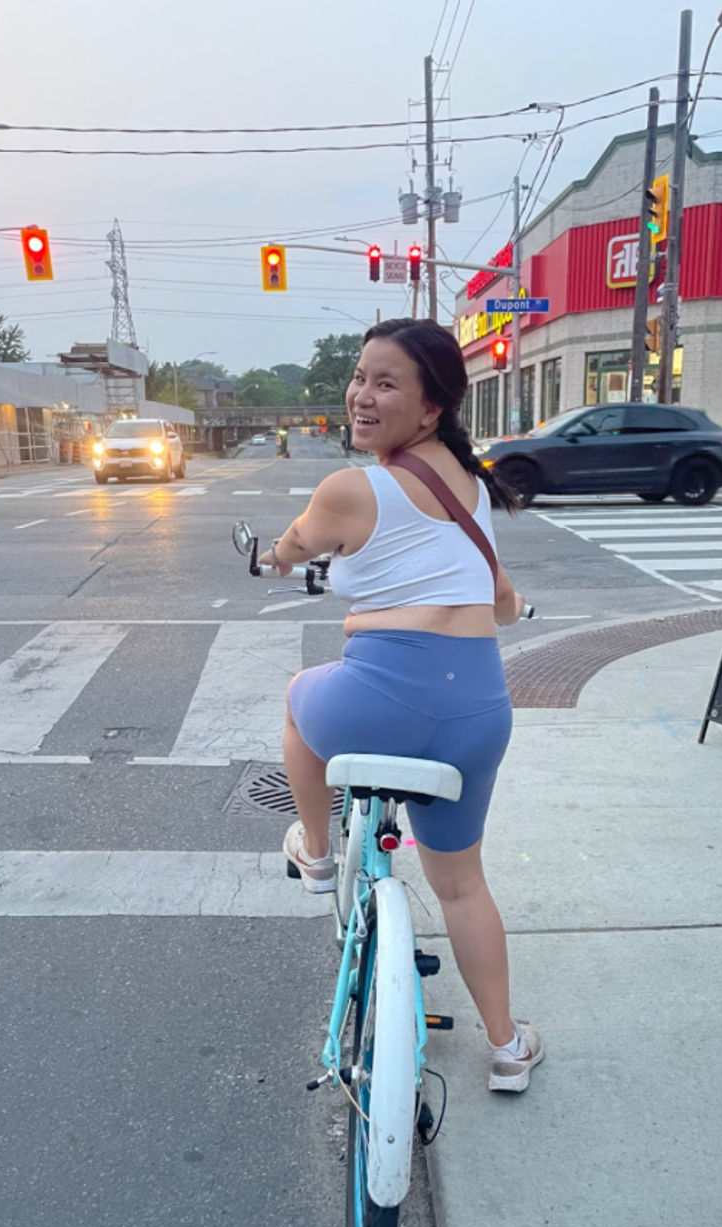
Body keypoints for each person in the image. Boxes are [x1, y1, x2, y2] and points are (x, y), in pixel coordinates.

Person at [259, 318, 542, 1093]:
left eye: (385, 383)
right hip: (478, 712)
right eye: (359, 377)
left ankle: (316, 854)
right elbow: (500, 597)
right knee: (462, 885)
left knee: (296, 700)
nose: (361, 395)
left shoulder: (350, 488)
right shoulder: (470, 481)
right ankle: (508, 1044)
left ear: (430, 407)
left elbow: (290, 549)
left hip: (376, 703)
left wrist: (275, 560)